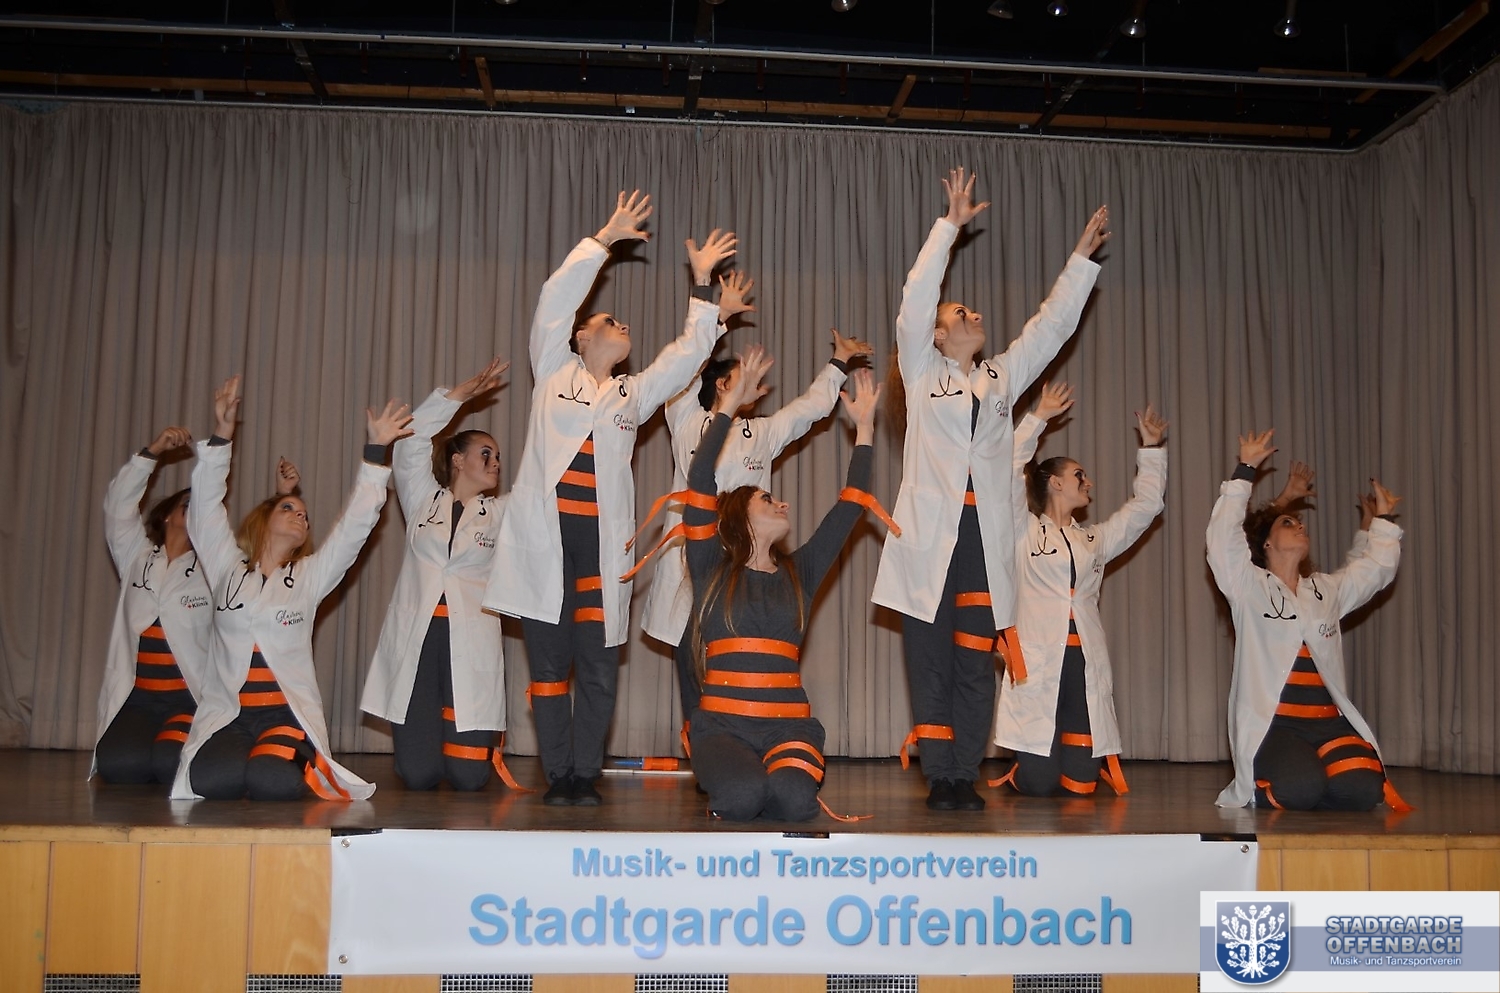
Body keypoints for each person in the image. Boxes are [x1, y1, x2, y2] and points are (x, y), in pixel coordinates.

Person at [482, 192, 754, 805]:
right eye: (608, 321)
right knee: (549, 669)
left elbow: (686, 357)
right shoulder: (553, 368)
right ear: (580, 336)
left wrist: (703, 288)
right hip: (546, 545)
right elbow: (555, 299)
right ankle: (559, 775)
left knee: (598, 665)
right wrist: (603, 240)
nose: (621, 325)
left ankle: (585, 774)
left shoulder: (632, 393)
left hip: (602, 549)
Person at [870, 166, 1111, 811]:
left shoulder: (1000, 378)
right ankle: (940, 775)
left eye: (973, 310)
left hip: (983, 547)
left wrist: (1080, 263)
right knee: (930, 664)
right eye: (960, 312)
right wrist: (948, 227)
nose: (972, 314)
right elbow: (915, 301)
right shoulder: (922, 372)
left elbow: (1050, 329)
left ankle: (963, 772)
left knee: (976, 664)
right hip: (930, 545)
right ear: (938, 335)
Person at [170, 375, 411, 801]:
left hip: (284, 714)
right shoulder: (226, 567)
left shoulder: (309, 576)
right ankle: (255, 758)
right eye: (288, 507)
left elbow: (355, 526)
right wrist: (222, 433)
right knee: (208, 780)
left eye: (305, 514)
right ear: (263, 518)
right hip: (230, 716)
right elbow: (204, 509)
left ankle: (295, 755)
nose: (301, 516)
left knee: (271, 782)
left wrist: (376, 451)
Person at [683, 349, 888, 821]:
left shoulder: (801, 573)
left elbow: (851, 506)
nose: (783, 504)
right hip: (722, 728)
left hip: (788, 727)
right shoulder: (710, 567)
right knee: (742, 798)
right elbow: (700, 476)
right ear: (738, 516)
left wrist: (865, 429)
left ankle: (773, 778)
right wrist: (729, 405)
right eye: (767, 498)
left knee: (795, 802)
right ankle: (732, 777)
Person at [641, 329, 874, 737]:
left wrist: (839, 361)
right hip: (696, 565)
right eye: (742, 375)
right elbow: (682, 368)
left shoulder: (762, 432)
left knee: (747, 662)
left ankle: (760, 742)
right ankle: (707, 754)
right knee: (693, 667)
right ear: (720, 384)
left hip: (744, 571)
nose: (755, 383)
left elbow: (809, 408)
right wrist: (715, 322)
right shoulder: (685, 416)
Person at [1206, 428, 1408, 811]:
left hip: (1328, 724)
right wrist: (1245, 470)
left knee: (1364, 790)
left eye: (1300, 523)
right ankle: (1283, 782)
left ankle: (1318, 774)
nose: (1300, 526)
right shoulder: (1248, 586)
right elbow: (1221, 538)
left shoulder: (1324, 590)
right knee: (1299, 789)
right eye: (1288, 523)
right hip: (1276, 725)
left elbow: (1375, 571)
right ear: (1266, 543)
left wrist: (1383, 520)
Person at [992, 383, 1168, 796]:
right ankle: (1025, 770)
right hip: (1038, 660)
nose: (1088, 482)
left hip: (1083, 662)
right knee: (1039, 785)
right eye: (1079, 475)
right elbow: (1008, 469)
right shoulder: (1023, 529)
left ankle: (1074, 765)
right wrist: (1039, 416)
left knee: (1082, 785)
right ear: (1054, 483)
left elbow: (1145, 508)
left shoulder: (1093, 540)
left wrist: (1151, 450)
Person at [362, 357, 524, 791]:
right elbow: (410, 446)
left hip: (469, 641)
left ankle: (465, 749)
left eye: (498, 457)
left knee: (469, 778)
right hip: (419, 639)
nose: (495, 462)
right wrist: (455, 398)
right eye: (485, 454)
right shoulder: (422, 499)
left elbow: (542, 488)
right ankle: (419, 749)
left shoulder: (501, 511)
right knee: (419, 776)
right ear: (457, 460)